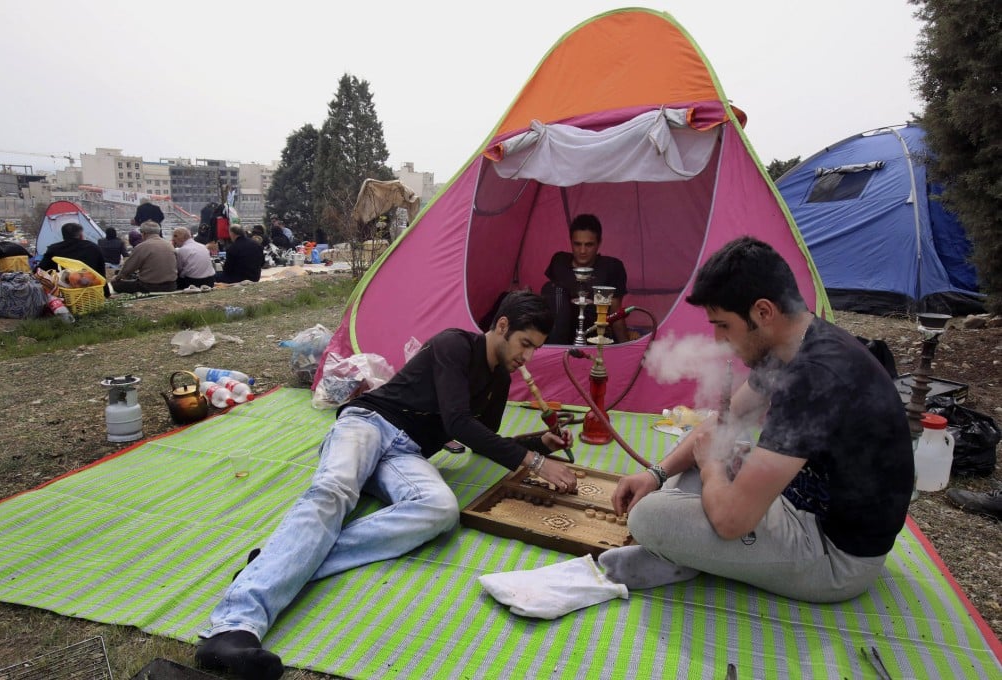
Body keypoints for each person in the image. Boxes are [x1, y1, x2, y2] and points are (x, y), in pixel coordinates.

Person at [194, 291, 576, 679]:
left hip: (406, 454)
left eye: (536, 349)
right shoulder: (454, 345)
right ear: (503, 326)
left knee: (441, 510)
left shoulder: (498, 379)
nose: (527, 358)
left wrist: (535, 443)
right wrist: (537, 464)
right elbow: (459, 423)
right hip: (368, 422)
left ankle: (284, 558)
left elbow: (480, 435)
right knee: (334, 492)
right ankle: (231, 628)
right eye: (525, 344)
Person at [597, 236, 913, 604]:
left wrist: (713, 466)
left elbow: (732, 520)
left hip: (834, 556)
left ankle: (683, 554)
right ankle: (692, 547)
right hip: (796, 503)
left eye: (723, 326)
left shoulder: (814, 378)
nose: (718, 341)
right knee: (711, 448)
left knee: (649, 517)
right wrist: (656, 474)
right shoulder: (793, 343)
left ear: (763, 312)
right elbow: (723, 423)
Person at [542, 213, 629, 344]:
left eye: (589, 245)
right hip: (559, 334)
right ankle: (553, 348)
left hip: (595, 335)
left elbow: (616, 314)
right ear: (570, 241)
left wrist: (627, 348)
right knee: (551, 289)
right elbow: (551, 305)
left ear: (599, 243)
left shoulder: (611, 267)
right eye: (577, 244)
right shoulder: (559, 261)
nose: (582, 251)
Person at [37, 222, 109, 297]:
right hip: (91, 290)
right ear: (81, 235)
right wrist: (106, 293)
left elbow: (40, 270)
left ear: (63, 236)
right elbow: (101, 273)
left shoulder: (53, 249)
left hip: (64, 294)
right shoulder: (94, 247)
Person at [112, 221, 178, 294]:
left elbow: (128, 268)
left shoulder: (142, 247)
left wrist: (117, 278)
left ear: (143, 233)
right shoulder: (169, 245)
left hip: (149, 286)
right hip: (171, 286)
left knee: (116, 284)